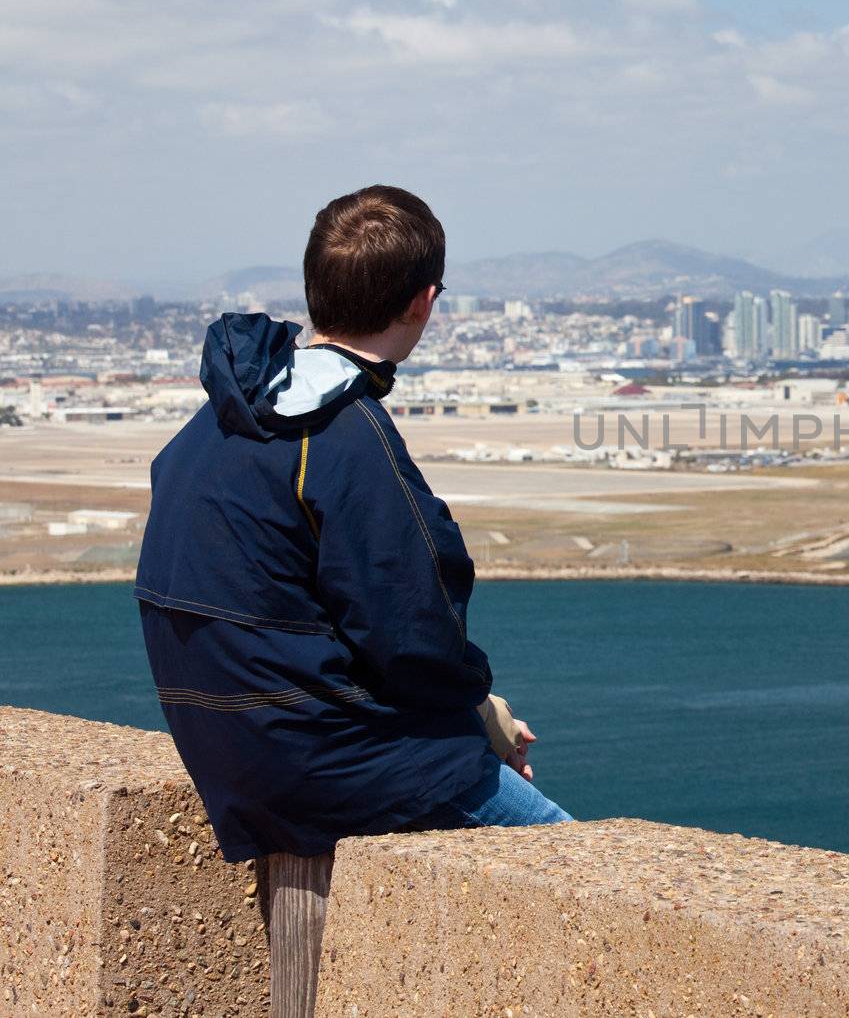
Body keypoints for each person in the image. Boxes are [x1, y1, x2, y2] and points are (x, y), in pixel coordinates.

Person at [135, 185, 569, 863]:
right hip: (325, 764)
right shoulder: (343, 431)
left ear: (315, 289)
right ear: (424, 302)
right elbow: (412, 629)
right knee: (580, 863)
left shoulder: (217, 419)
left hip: (230, 755)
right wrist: (478, 713)